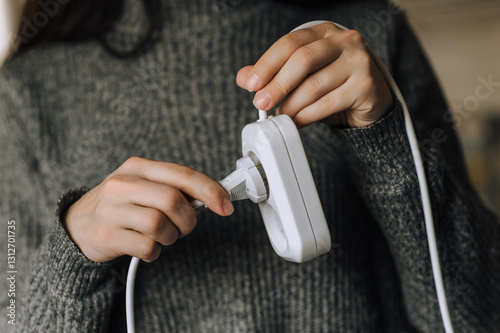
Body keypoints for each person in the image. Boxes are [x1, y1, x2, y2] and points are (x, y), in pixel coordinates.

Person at [1, 0, 498, 332]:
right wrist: (71, 256)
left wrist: (388, 141)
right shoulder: (23, 95)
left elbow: (476, 314)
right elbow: (10, 308)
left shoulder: (367, 43)